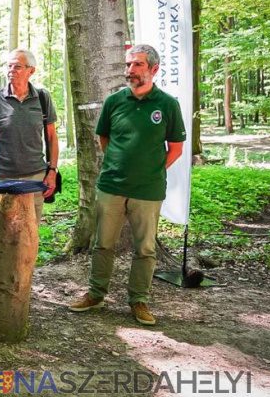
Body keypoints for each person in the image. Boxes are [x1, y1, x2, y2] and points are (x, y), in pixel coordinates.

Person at [69, 44, 185, 326]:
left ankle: (139, 301)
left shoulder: (168, 104)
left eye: (137, 65)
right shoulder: (114, 101)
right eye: (128, 65)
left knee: (145, 249)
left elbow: (177, 148)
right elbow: (104, 139)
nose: (130, 70)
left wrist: (151, 170)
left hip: (148, 191)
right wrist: (119, 166)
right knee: (103, 244)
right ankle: (95, 295)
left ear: (154, 69)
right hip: (111, 187)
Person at [0, 48, 59, 311]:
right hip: (2, 177)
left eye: (17, 66)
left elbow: (51, 138)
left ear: (31, 70)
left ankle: (21, 286)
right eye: (9, 66)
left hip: (34, 176)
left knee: (28, 233)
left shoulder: (42, 98)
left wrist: (51, 171)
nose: (11, 71)